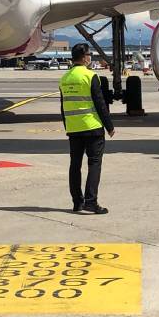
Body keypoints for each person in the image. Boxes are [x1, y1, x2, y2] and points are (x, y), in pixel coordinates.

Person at [59, 43, 115, 214]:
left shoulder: (65, 78)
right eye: (89, 54)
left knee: (74, 165)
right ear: (84, 57)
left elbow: (63, 106)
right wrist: (109, 126)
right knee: (94, 163)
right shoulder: (90, 76)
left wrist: (67, 125)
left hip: (74, 128)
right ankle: (91, 201)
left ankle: (77, 202)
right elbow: (100, 103)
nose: (90, 57)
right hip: (92, 127)